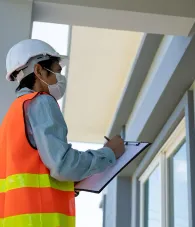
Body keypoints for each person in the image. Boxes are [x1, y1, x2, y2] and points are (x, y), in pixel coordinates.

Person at [0, 39, 125, 227]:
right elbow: (63, 166)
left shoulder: (12, 115)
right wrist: (110, 153)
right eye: (57, 71)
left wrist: (69, 183)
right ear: (39, 71)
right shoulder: (41, 102)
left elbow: (34, 173)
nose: (60, 78)